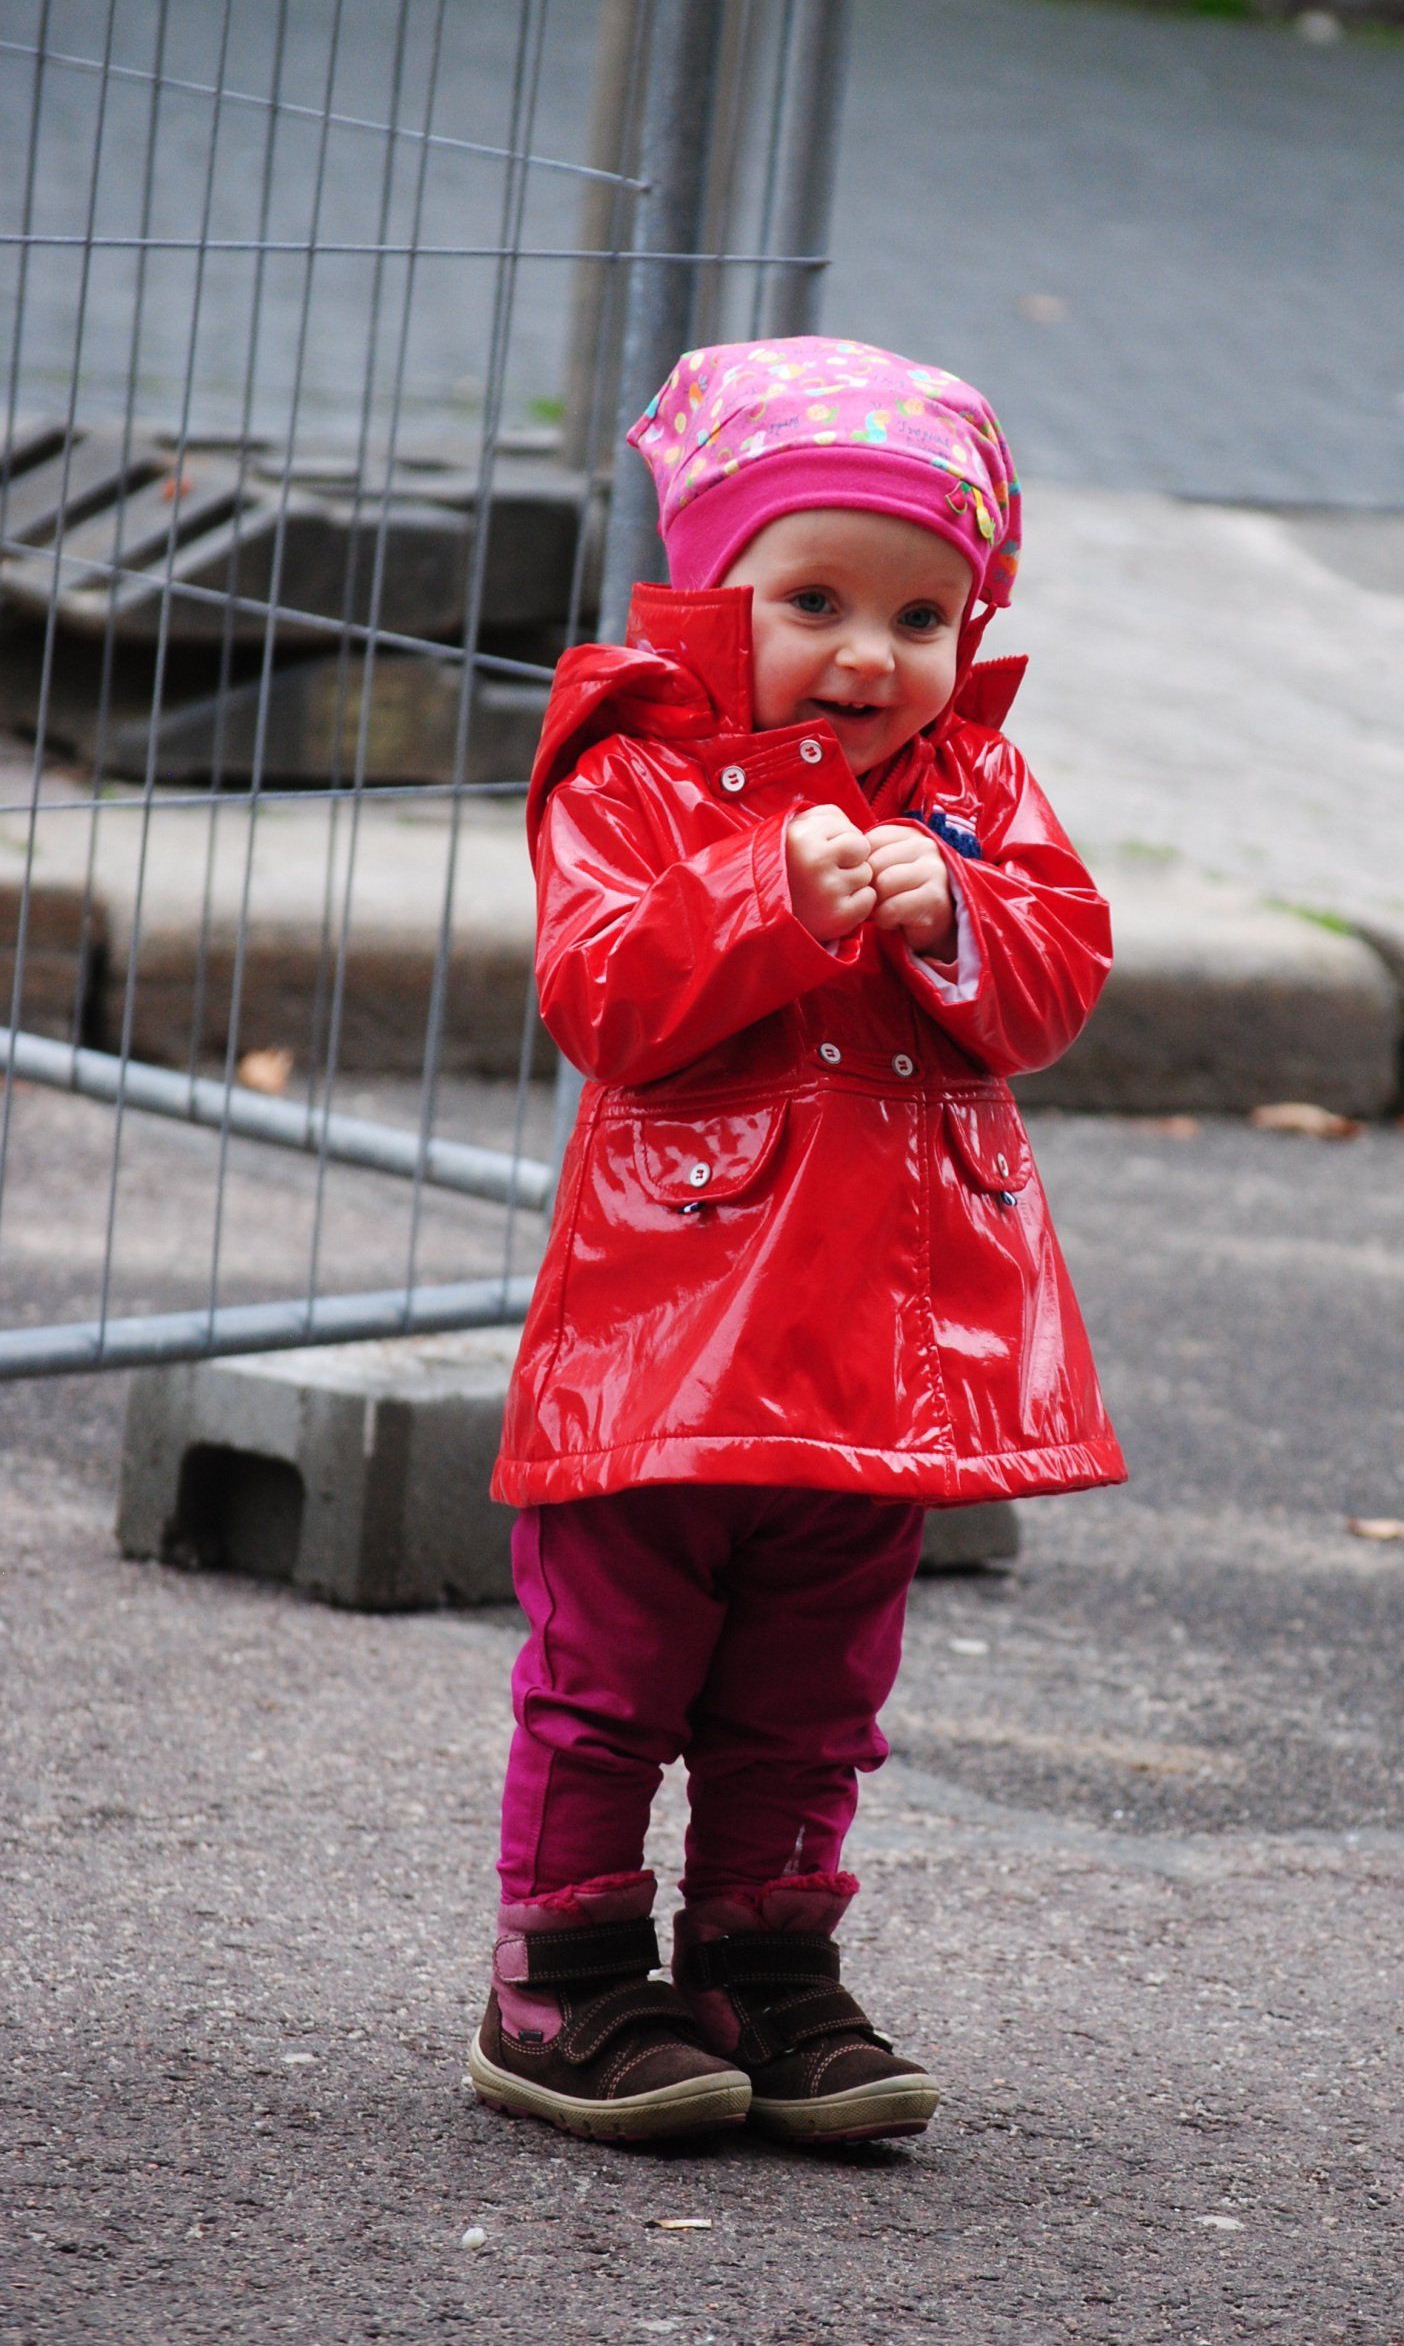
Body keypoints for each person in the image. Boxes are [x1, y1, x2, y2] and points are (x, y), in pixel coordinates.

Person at [469, 336, 1126, 2150]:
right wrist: (767, 892)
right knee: (612, 1679)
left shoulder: (977, 794)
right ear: (710, 596)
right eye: (814, 597)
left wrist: (960, 910)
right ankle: (570, 1974)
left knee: (815, 1696)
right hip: (667, 1348)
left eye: (923, 615)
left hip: (884, 1359)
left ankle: (770, 1958)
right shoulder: (639, 772)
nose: (869, 653)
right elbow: (600, 994)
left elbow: (1059, 980)